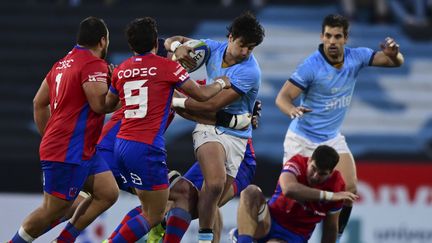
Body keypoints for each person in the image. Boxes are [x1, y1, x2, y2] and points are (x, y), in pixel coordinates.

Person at [275, 13, 404, 241]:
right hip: (302, 138)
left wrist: (395, 55)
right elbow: (282, 98)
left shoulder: (358, 57)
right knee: (293, 194)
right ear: (321, 36)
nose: (332, 41)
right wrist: (291, 110)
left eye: (337, 36)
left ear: (346, 38)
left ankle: (336, 233)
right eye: (327, 36)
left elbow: (395, 62)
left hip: (331, 137)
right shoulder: (311, 67)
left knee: (350, 188)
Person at [104, 17, 231, 243]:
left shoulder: (121, 70)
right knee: (163, 207)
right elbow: (200, 98)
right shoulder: (167, 70)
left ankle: (151, 235)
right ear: (156, 43)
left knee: (161, 202)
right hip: (144, 148)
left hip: (119, 147)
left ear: (131, 46)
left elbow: (105, 104)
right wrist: (223, 84)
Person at [9, 16, 119, 243]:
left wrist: (48, 135)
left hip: (80, 149)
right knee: (53, 210)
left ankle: (63, 240)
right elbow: (99, 105)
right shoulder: (93, 64)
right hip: (69, 149)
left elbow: (38, 103)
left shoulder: (61, 64)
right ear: (102, 41)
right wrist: (120, 90)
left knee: (108, 193)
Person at [165, 11, 265, 243]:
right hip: (211, 131)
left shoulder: (249, 71)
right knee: (212, 186)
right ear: (230, 37)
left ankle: (160, 219)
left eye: (251, 48)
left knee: (196, 202)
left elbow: (209, 106)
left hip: (239, 145)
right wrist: (178, 45)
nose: (245, 52)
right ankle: (201, 238)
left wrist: (175, 102)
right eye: (242, 45)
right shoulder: (211, 49)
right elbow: (169, 42)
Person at [230, 145, 359, 243]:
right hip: (269, 220)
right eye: (313, 169)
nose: (315, 176)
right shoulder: (297, 163)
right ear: (309, 161)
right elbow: (288, 189)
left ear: (330, 173)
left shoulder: (337, 185)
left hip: (294, 236)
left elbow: (330, 228)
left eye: (322, 174)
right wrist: (328, 195)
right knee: (250, 192)